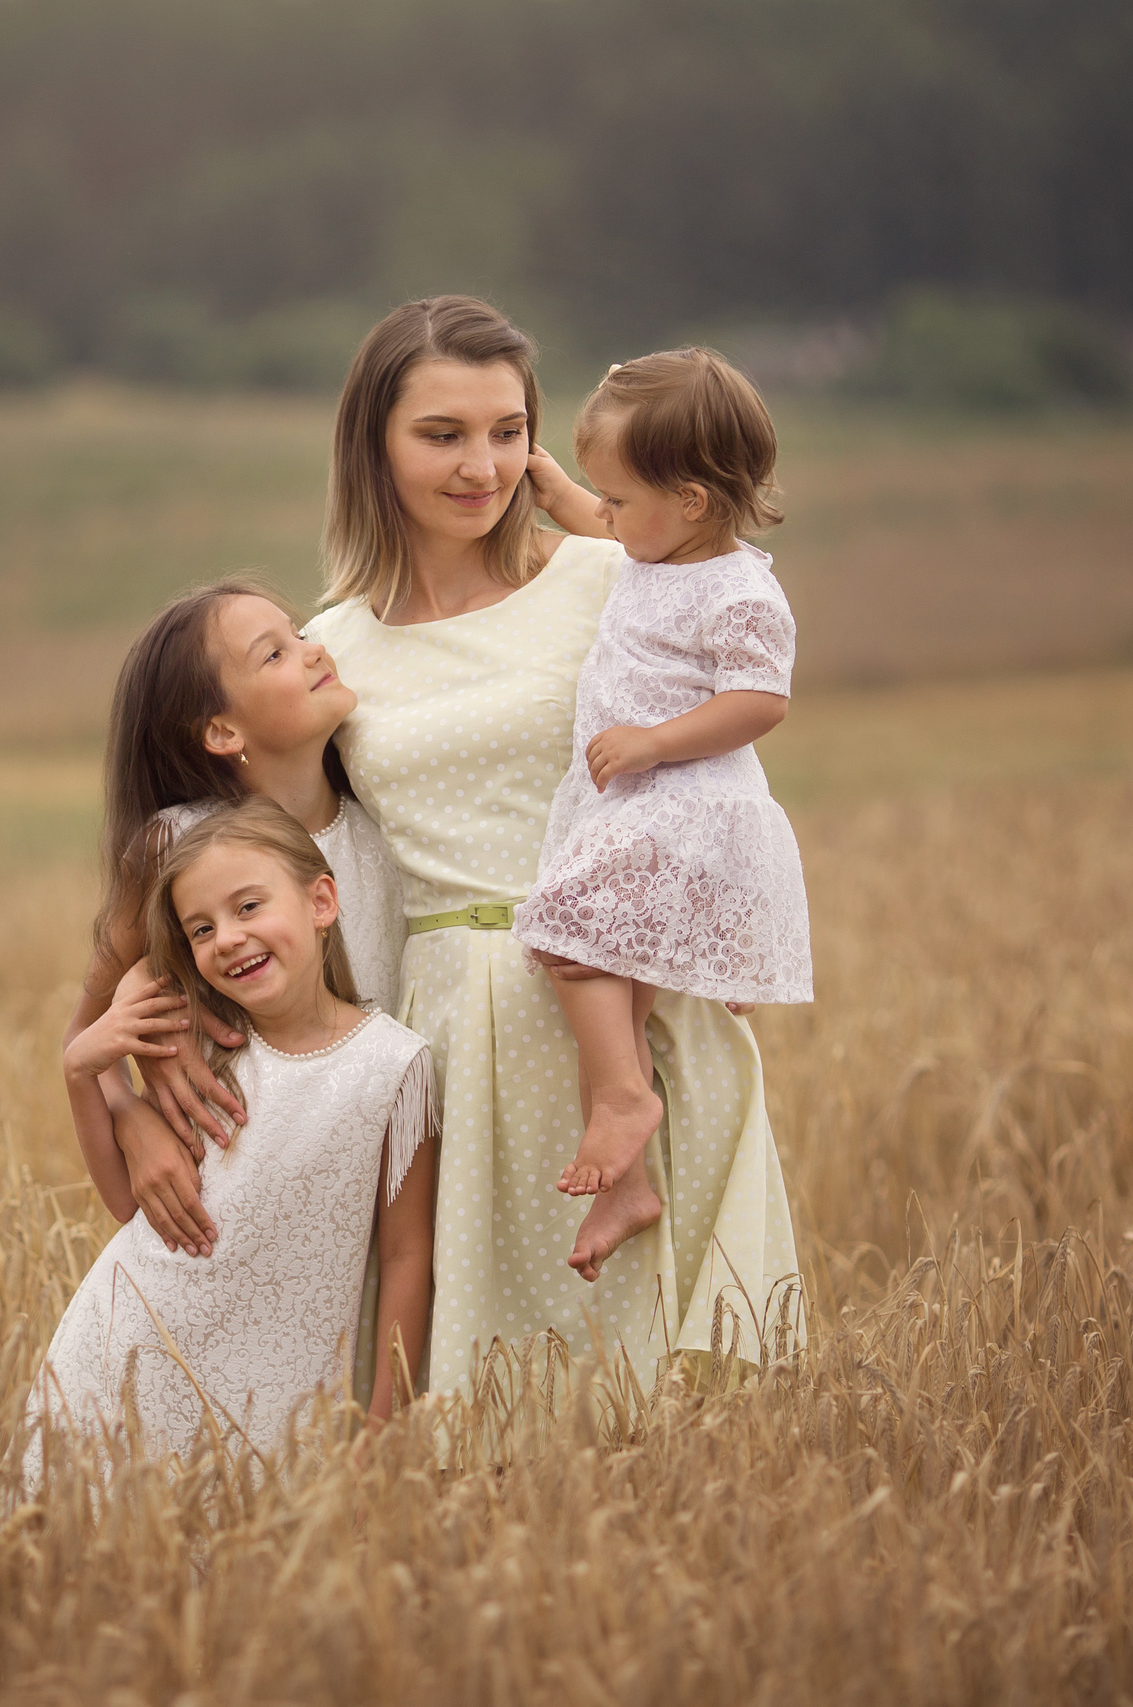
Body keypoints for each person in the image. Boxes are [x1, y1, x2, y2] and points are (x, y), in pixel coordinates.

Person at [270, 295, 802, 1393]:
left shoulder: (615, 578)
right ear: (370, 443)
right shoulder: (327, 646)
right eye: (442, 434)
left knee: (666, 1428)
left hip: (636, 1027)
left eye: (508, 431)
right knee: (481, 1430)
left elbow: (722, 758)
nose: (484, 466)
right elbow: (297, 854)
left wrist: (727, 922)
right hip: (453, 1044)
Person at [514, 349, 813, 1276]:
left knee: (567, 931)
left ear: (688, 499)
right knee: (616, 990)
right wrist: (539, 473)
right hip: (639, 810)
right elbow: (579, 513)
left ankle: (622, 1104)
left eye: (617, 500)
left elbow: (760, 701)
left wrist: (653, 739)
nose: (601, 515)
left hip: (686, 806)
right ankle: (628, 1182)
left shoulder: (738, 589)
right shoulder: (649, 549)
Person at [32, 799, 439, 1469]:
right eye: (200, 928)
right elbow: (128, 1207)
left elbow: (404, 1255)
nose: (225, 937)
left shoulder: (396, 1066)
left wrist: (383, 1428)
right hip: (124, 1368)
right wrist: (82, 1070)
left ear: (322, 901)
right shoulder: (198, 1050)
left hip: (274, 1399)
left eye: (248, 907)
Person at [62, 580, 405, 1260]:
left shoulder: (386, 829)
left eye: (301, 634)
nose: (313, 652)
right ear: (222, 731)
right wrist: (130, 1116)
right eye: (274, 654)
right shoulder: (178, 846)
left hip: (357, 1210)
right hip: (228, 1216)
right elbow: (88, 1029)